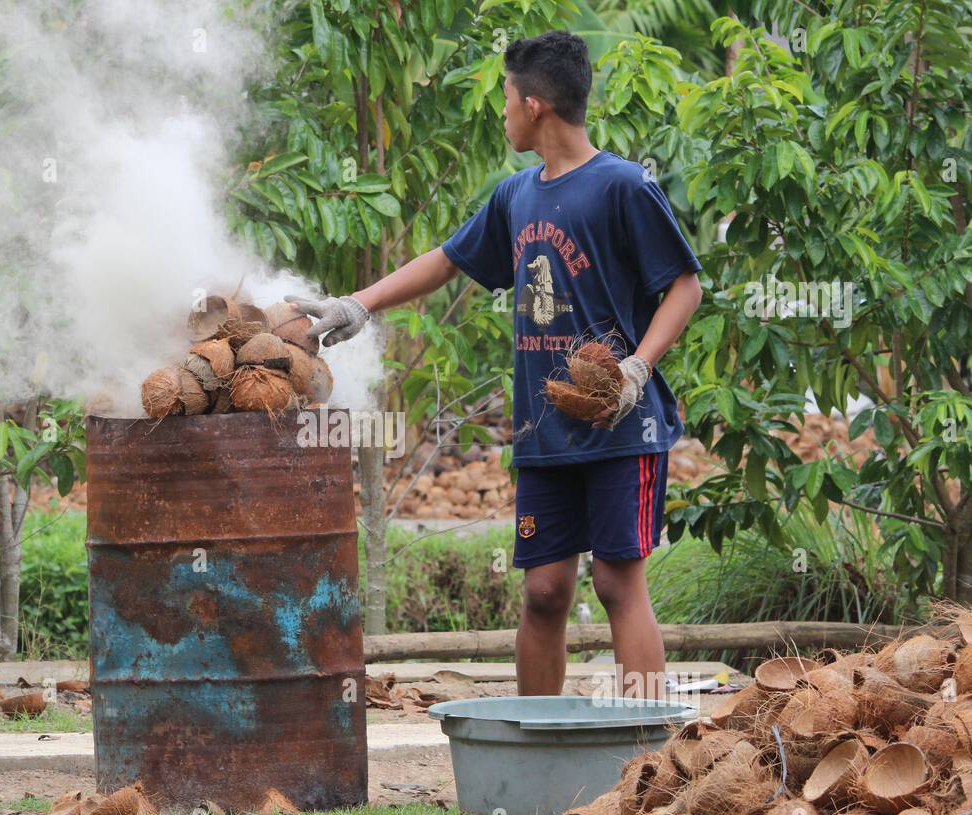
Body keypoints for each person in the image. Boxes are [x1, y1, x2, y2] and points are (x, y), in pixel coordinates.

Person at [286, 30, 703, 700]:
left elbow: (685, 286)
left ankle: (645, 756)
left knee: (616, 582)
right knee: (544, 591)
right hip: (544, 429)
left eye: (507, 96)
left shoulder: (622, 185)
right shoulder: (517, 195)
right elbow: (448, 259)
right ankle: (537, 744)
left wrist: (637, 371)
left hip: (621, 424)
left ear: (534, 102)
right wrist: (357, 305)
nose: (502, 109)